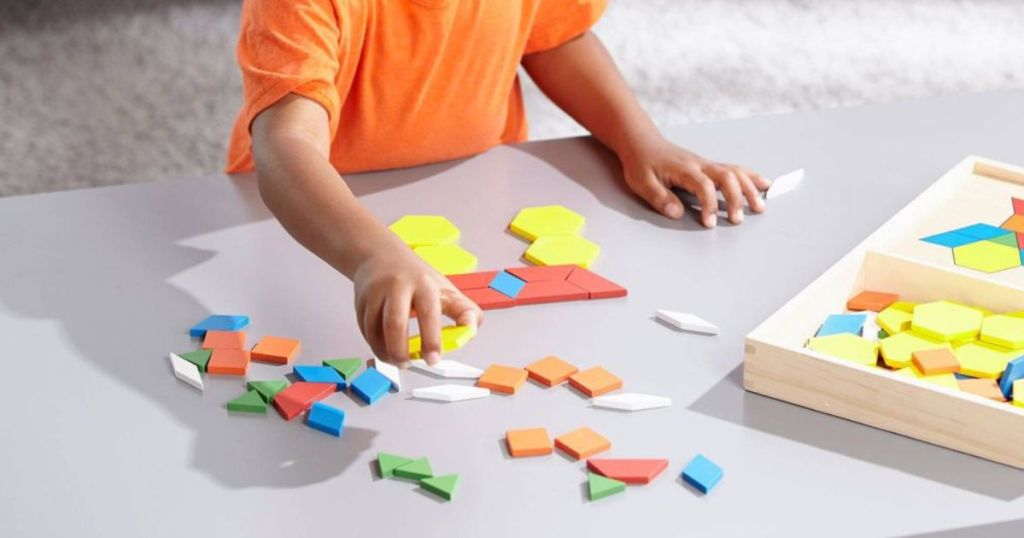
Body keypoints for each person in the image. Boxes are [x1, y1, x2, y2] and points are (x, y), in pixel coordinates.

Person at [225, 0, 769, 367]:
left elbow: (553, 37)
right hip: (312, 223)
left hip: (481, 201)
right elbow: (287, 145)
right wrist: (371, 256)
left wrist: (640, 141)